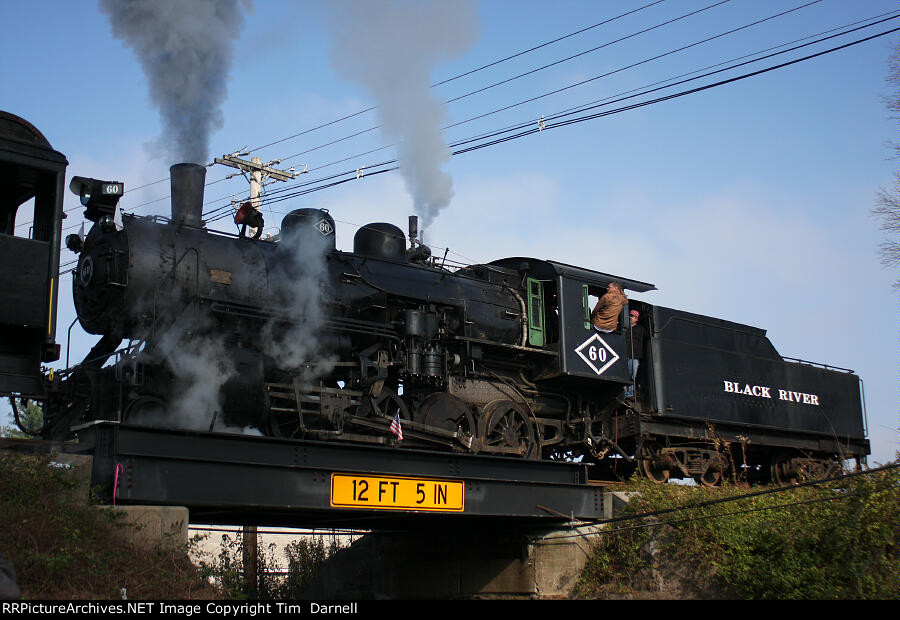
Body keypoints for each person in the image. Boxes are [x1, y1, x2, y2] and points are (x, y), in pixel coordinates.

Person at [624, 309, 646, 398]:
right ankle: (624, 393)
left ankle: (629, 393)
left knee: (632, 376)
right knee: (625, 375)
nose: (631, 317)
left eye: (633, 316)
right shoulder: (625, 328)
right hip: (625, 355)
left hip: (634, 355)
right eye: (630, 315)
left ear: (636, 318)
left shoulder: (640, 329)